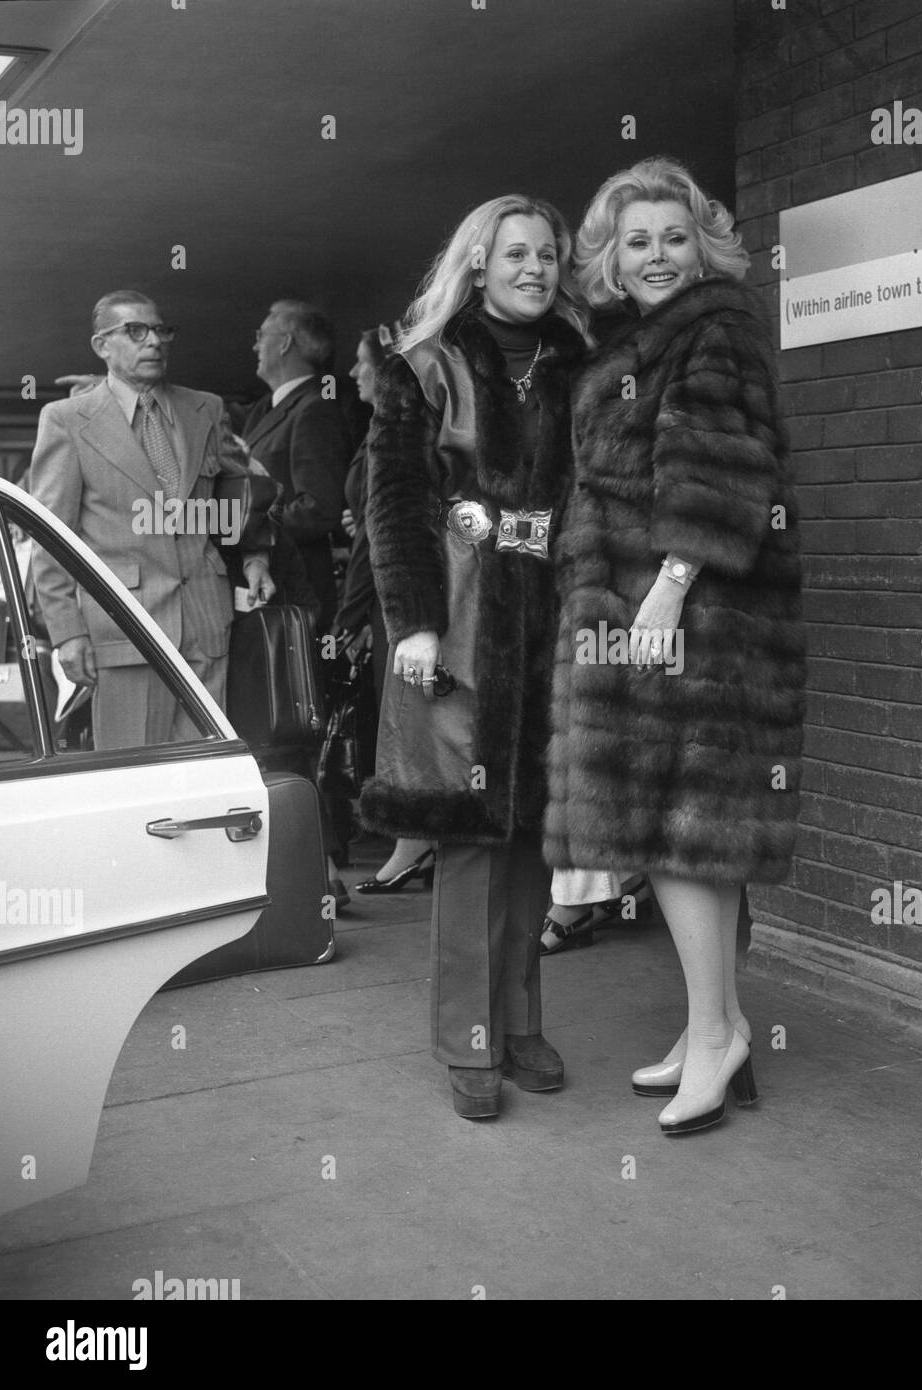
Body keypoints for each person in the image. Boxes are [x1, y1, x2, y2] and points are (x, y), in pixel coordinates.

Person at [546, 157, 805, 1135]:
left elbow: (718, 470)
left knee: (690, 832)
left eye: (675, 235)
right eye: (637, 240)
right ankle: (719, 1025)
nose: (657, 254)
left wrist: (666, 593)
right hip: (634, 612)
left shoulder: (715, 329)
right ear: (612, 256)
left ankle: (714, 1036)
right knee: (670, 830)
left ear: (706, 244)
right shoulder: (641, 338)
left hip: (691, 617)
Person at [361, 195, 588, 1119]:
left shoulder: (579, 359)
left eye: (547, 254)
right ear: (479, 264)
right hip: (453, 621)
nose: (533, 268)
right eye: (514, 254)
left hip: (553, 618)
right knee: (464, 833)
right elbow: (393, 503)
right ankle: (469, 1039)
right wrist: (412, 624)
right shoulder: (425, 364)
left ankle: (521, 1019)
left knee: (530, 827)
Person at [29, 291, 275, 749]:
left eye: (161, 330)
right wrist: (68, 633)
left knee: (206, 777)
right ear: (102, 345)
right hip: (124, 630)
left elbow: (236, 492)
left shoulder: (205, 407)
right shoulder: (66, 420)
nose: (154, 342)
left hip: (206, 623)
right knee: (136, 783)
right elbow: (51, 538)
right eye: (135, 331)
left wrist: (256, 556)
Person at [333, 327, 435, 894]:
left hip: (391, 598)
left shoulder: (397, 429)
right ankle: (413, 841)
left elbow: (384, 531)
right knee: (399, 719)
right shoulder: (371, 428)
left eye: (361, 363)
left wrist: (349, 618)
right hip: (380, 594)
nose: (352, 374)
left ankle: (415, 841)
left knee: (408, 720)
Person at [244, 299, 353, 632]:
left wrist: (249, 534)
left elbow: (318, 508)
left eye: (261, 335)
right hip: (271, 584)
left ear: (286, 343)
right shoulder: (266, 409)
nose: (254, 345)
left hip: (293, 586)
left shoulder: (315, 408)